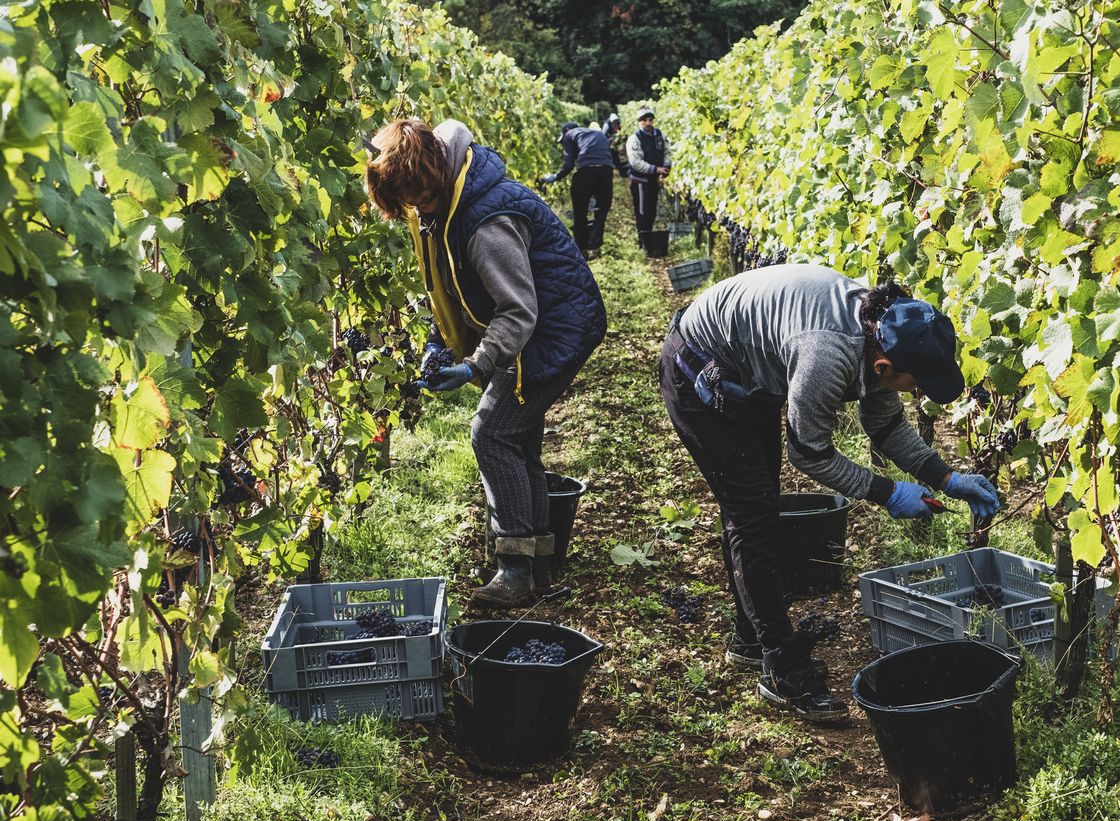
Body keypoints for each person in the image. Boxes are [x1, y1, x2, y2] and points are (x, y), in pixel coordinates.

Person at [658, 264, 1001, 721]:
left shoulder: (879, 333)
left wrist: (945, 478)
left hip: (746, 373)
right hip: (699, 373)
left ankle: (749, 637)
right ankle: (783, 665)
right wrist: (886, 493)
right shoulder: (827, 355)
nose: (914, 391)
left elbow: (886, 423)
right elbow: (810, 453)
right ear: (884, 366)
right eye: (912, 384)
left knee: (756, 505)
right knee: (753, 516)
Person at [364, 118, 607, 607]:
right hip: (540, 324)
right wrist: (439, 341)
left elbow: (518, 311)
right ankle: (539, 564)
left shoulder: (485, 220)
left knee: (492, 433)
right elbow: (448, 284)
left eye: (419, 200)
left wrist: (477, 364)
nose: (416, 210)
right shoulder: (446, 199)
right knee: (517, 436)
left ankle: (515, 569)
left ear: (433, 172)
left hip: (555, 330)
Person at [539, 122, 614, 260]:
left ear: (566, 130)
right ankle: (595, 247)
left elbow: (569, 164)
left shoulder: (569, 135)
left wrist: (555, 177)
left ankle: (582, 249)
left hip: (586, 172)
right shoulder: (599, 134)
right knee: (602, 209)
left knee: (580, 211)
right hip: (606, 171)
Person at [626, 106, 670, 247]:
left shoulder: (659, 135)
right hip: (640, 181)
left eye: (650, 119)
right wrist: (656, 169)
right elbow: (635, 162)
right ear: (639, 122)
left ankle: (648, 241)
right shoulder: (635, 139)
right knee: (642, 213)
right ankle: (642, 243)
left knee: (651, 212)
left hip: (653, 181)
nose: (648, 123)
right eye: (644, 120)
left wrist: (667, 167)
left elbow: (667, 152)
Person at [604, 113, 628, 179]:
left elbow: (622, 133)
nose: (615, 124)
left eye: (616, 122)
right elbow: (603, 138)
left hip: (617, 143)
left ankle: (621, 168)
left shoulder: (618, 124)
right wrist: (612, 138)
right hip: (609, 143)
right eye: (614, 122)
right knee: (613, 153)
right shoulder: (606, 126)